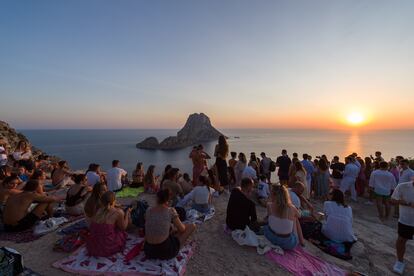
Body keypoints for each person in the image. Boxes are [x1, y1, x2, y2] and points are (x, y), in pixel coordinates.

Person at [144, 189, 196, 260]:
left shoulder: (148, 210)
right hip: (164, 251)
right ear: (168, 200)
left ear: (157, 198)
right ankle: (178, 245)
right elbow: (182, 229)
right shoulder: (170, 211)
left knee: (172, 231)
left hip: (148, 250)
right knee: (192, 226)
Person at [86, 191, 129, 257]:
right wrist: (127, 214)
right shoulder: (118, 212)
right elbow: (123, 227)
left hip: (93, 246)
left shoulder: (98, 210)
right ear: (113, 201)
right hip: (107, 247)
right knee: (120, 232)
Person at [264, 185, 304, 249]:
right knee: (295, 218)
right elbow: (299, 215)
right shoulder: (292, 208)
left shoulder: (269, 205)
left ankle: (302, 241)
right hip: (287, 243)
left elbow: (268, 219)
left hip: (270, 237)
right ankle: (302, 241)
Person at [391, 179, 414, 274]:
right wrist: (407, 203)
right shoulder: (403, 186)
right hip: (406, 220)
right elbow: (392, 200)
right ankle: (400, 262)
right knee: (401, 240)